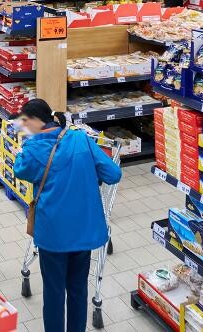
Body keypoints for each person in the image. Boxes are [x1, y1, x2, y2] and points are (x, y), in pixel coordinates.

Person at [14, 99, 121, 332]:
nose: (23, 126)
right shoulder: (80, 138)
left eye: (25, 121)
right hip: (83, 232)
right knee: (78, 290)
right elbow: (113, 174)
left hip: (53, 235)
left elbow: (19, 169)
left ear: (35, 121)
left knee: (53, 292)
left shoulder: (32, 149)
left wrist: (24, 146)